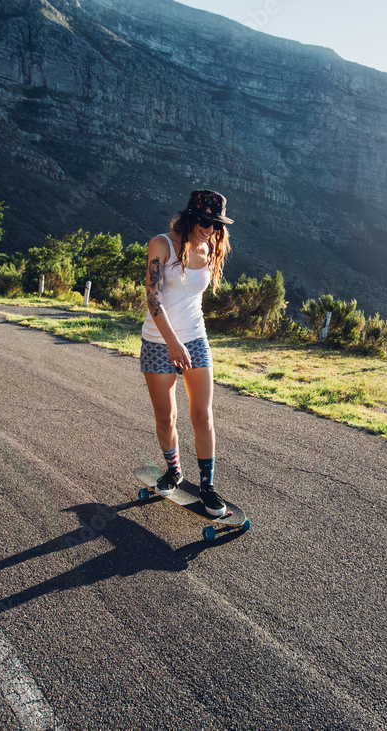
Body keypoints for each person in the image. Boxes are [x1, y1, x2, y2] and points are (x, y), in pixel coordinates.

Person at [140, 189, 233, 516]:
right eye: (204, 221)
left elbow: (193, 298)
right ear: (191, 216)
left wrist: (183, 341)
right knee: (167, 417)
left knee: (202, 415)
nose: (209, 228)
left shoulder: (210, 248)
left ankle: (207, 486)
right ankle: (174, 470)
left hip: (195, 338)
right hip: (157, 341)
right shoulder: (161, 244)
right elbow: (154, 301)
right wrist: (172, 343)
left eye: (216, 223)